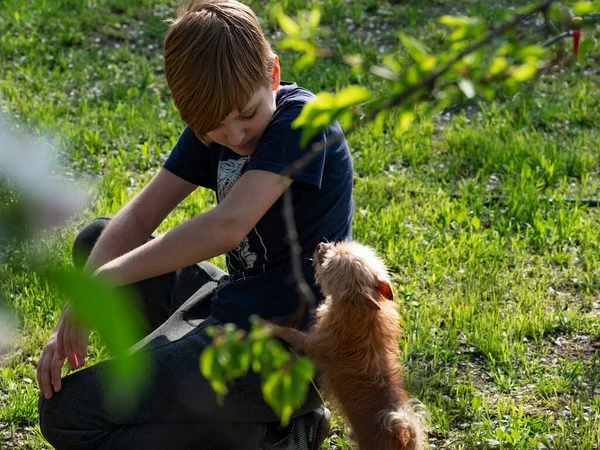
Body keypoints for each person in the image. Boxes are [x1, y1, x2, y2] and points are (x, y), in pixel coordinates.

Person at [36, 0, 354, 448]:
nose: (236, 136)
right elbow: (144, 212)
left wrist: (110, 277)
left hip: (287, 353)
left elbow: (229, 225)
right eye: (215, 130)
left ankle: (277, 438)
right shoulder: (217, 119)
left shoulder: (301, 121)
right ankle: (254, 426)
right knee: (96, 240)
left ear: (273, 75)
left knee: (68, 415)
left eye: (247, 115)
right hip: (231, 310)